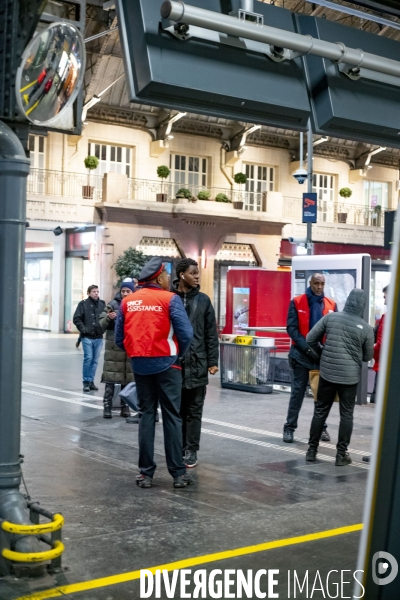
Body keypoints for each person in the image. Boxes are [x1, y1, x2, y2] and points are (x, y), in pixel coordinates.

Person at [115, 257, 194, 489]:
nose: (168, 279)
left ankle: (146, 473)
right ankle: (178, 474)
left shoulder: (128, 302)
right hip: (168, 364)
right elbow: (186, 333)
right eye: (166, 276)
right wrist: (177, 353)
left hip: (140, 365)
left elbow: (120, 339)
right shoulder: (170, 299)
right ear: (159, 278)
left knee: (146, 415)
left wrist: (136, 352)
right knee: (172, 416)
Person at [306, 288, 374, 466]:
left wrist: (322, 354)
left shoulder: (331, 317)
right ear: (363, 305)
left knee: (320, 410)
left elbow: (310, 338)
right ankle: (341, 455)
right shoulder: (366, 328)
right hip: (349, 378)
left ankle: (311, 451)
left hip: (328, 373)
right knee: (346, 415)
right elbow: (367, 357)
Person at [173, 258, 219, 468]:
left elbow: (211, 333)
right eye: (193, 273)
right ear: (182, 274)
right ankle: (178, 447)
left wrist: (212, 360)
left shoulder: (203, 300)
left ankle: (191, 450)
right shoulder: (169, 298)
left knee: (194, 409)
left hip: (198, 362)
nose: (197, 277)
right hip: (174, 364)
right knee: (177, 410)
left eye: (198, 273)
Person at [283, 273, 337, 443]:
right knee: (297, 393)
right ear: (310, 283)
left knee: (320, 396)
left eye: (322, 284)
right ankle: (289, 428)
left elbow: (334, 330)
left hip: (321, 357)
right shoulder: (297, 302)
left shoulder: (331, 305)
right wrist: (306, 348)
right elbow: (292, 329)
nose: (319, 287)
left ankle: (321, 429)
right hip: (300, 354)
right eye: (316, 283)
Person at [100, 279, 136, 419]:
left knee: (126, 379)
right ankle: (107, 406)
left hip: (128, 348)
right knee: (110, 378)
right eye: (123, 291)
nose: (125, 294)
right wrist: (108, 318)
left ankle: (124, 408)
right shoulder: (112, 305)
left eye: (128, 291)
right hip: (113, 348)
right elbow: (101, 324)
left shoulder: (136, 304)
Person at [363, 285, 388, 463]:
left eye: (386, 296)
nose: (384, 300)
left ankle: (380, 453)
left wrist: (368, 351)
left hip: (384, 370)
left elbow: (381, 344)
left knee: (382, 414)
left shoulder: (388, 318)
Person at [73, 285, 105, 393]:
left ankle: (91, 381)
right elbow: (76, 318)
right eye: (93, 291)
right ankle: (86, 381)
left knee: (95, 361)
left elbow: (105, 318)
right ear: (88, 293)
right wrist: (84, 329)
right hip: (87, 337)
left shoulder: (102, 304)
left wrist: (102, 329)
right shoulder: (83, 304)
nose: (96, 293)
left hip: (98, 337)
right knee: (88, 358)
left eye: (97, 291)